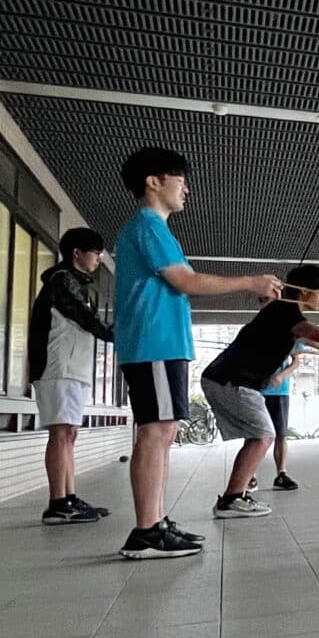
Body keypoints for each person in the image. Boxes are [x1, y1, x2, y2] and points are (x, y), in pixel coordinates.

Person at [113, 147, 282, 559]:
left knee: (164, 432)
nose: (187, 187)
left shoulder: (155, 230)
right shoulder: (148, 226)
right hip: (153, 343)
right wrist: (249, 281)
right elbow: (187, 282)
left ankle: (155, 521)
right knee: (156, 432)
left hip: (162, 345)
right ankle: (146, 531)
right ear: (154, 181)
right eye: (179, 178)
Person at [202, 266, 319, 518]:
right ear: (305, 292)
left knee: (260, 436)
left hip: (228, 380)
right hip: (231, 381)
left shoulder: (286, 315)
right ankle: (232, 498)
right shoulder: (284, 312)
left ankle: (236, 494)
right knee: (264, 435)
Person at [28, 227, 114, 525]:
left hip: (71, 367)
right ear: (77, 253)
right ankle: (58, 503)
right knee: (61, 432)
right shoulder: (62, 280)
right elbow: (84, 318)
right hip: (57, 366)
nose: (100, 259)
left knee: (69, 433)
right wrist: (117, 333)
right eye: (97, 253)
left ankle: (69, 497)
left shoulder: (74, 282)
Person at [255, 347, 304, 491]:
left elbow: (296, 361)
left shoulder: (289, 337)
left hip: (279, 391)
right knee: (254, 435)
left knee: (280, 434)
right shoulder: (255, 337)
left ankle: (281, 474)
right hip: (257, 391)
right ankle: (250, 476)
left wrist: (282, 375)